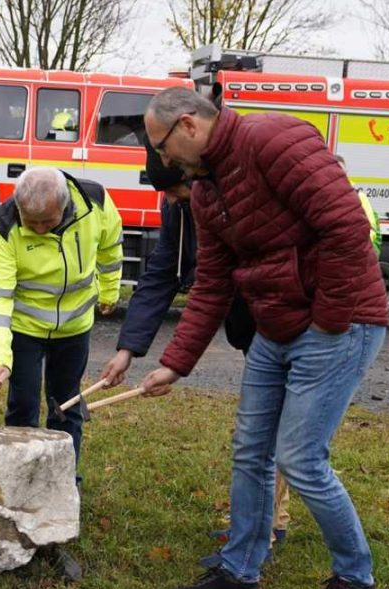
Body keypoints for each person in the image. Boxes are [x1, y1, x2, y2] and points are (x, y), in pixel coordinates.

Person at [141, 87, 389, 589]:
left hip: (337, 324)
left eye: (161, 147)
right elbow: (211, 284)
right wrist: (175, 363)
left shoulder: (273, 137)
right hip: (277, 327)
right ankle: (240, 570)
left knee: (300, 458)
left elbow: (346, 229)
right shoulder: (207, 192)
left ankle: (356, 581)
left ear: (186, 125)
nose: (163, 161)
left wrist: (327, 319)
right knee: (250, 449)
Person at [100, 144, 289, 562]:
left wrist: (176, 363)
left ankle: (265, 530)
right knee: (263, 430)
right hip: (249, 326)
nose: (167, 200)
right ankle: (265, 522)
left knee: (273, 433)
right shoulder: (178, 208)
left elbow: (221, 285)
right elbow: (162, 274)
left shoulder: (236, 200)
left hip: (277, 321)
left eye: (172, 190)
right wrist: (129, 349)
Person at [0, 167, 122, 470]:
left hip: (75, 327)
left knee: (66, 406)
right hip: (25, 329)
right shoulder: (4, 224)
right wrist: (0, 356)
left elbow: (110, 248)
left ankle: (63, 478)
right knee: (22, 406)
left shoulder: (93, 200)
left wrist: (110, 292)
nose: (41, 229)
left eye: (48, 221)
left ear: (65, 204)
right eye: (32, 223)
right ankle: (19, 476)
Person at [336, 155, 382, 258]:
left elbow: (371, 229)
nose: (339, 175)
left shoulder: (358, 196)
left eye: (342, 171)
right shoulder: (324, 196)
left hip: (355, 253)